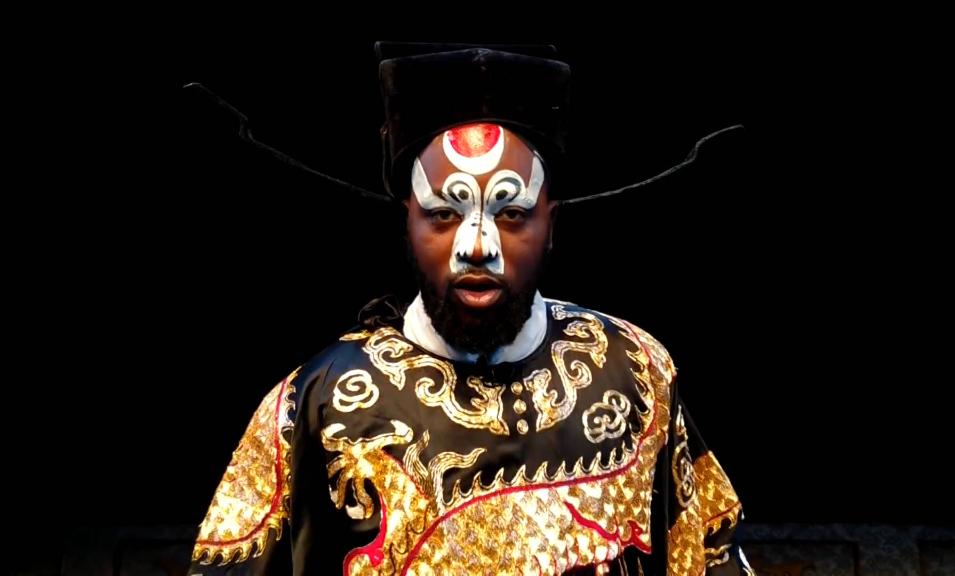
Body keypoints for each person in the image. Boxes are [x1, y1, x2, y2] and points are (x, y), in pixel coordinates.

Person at [187, 43, 755, 576]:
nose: (477, 246)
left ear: (550, 223)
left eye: (511, 214)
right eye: (443, 214)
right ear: (408, 221)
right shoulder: (316, 404)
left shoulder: (635, 373)